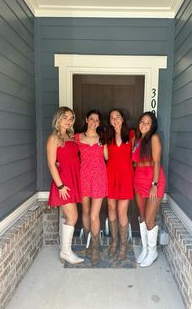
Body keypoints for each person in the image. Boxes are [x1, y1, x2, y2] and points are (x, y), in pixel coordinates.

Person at [47, 106, 84, 265]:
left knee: (67, 216)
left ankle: (65, 251)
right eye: (65, 117)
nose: (68, 121)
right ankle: (66, 252)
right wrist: (61, 186)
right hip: (63, 183)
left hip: (73, 179)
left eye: (71, 118)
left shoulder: (71, 137)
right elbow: (51, 164)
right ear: (58, 119)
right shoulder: (53, 138)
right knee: (73, 216)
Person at [132, 112, 166, 267]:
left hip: (152, 181)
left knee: (149, 217)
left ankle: (153, 251)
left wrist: (155, 184)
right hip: (138, 179)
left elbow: (157, 162)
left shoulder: (154, 138)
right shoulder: (138, 140)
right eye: (142, 122)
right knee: (142, 216)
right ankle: (145, 249)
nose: (144, 125)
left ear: (152, 126)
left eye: (148, 123)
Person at [75, 110, 108, 265]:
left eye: (97, 120)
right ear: (87, 120)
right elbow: (69, 154)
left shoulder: (102, 140)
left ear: (99, 123)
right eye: (92, 119)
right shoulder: (77, 137)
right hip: (83, 178)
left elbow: (108, 158)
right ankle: (88, 244)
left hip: (99, 178)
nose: (94, 122)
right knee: (85, 211)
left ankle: (95, 248)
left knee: (94, 215)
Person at [106, 108, 135, 260]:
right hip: (110, 175)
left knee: (121, 211)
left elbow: (138, 153)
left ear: (123, 119)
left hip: (125, 176)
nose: (115, 119)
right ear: (109, 121)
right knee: (111, 208)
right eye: (112, 117)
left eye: (117, 117)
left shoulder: (131, 135)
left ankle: (124, 245)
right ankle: (114, 241)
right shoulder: (107, 136)